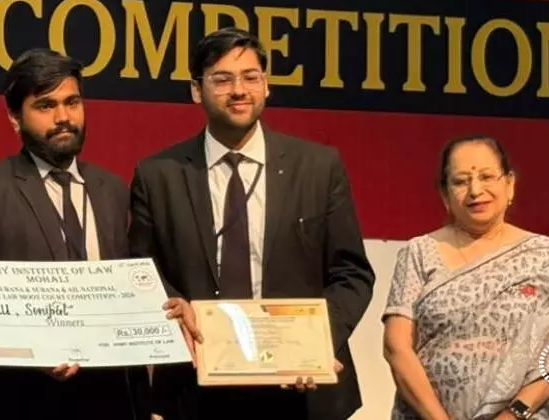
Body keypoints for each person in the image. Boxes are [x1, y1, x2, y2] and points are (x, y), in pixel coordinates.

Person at [128, 27, 376, 420]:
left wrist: (315, 342)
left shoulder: (318, 167)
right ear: (196, 90)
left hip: (301, 393)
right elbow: (142, 271)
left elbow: (352, 273)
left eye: (250, 77)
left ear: (266, 85)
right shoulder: (158, 175)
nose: (239, 90)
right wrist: (175, 309)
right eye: (222, 80)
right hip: (196, 391)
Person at [0, 48, 156, 420]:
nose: (63, 117)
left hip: (108, 401)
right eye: (45, 106)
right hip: (18, 402)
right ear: (15, 118)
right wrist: (33, 352)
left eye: (72, 102)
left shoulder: (112, 190)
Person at [381, 135, 549, 420]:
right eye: (460, 181)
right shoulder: (419, 253)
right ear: (445, 194)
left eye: (486, 176)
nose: (475, 190)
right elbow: (396, 347)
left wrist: (513, 414)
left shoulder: (543, 258)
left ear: (509, 184)